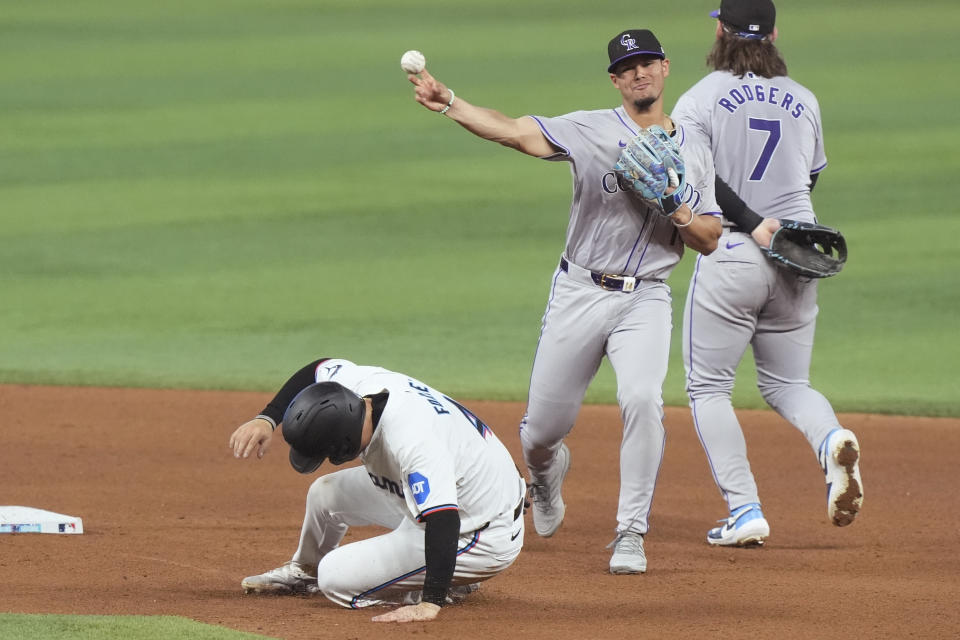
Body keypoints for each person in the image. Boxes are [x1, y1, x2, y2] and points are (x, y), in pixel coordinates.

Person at [408, 28, 721, 574]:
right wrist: (450, 104)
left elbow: (711, 238)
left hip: (645, 298)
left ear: (665, 69)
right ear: (615, 80)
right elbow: (512, 131)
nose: (639, 74)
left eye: (647, 63)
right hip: (579, 291)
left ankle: (630, 534)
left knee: (643, 399)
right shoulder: (591, 129)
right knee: (541, 431)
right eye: (627, 68)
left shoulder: (695, 145)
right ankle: (546, 472)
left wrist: (675, 206)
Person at [671, 0, 863, 547]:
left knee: (708, 388)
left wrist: (753, 223)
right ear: (774, 34)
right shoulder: (804, 100)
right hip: (799, 257)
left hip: (734, 252)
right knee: (788, 384)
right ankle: (830, 442)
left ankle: (744, 509)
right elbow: (807, 180)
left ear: (719, 31)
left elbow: (699, 179)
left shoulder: (700, 98)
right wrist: (779, 231)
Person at [229, 358, 526, 623]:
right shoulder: (358, 390)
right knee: (325, 492)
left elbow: (444, 519)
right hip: (466, 490)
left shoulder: (411, 442)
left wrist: (429, 601)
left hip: (477, 531)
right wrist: (267, 418)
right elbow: (317, 368)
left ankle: (449, 582)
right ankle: (304, 572)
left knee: (335, 578)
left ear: (342, 445)